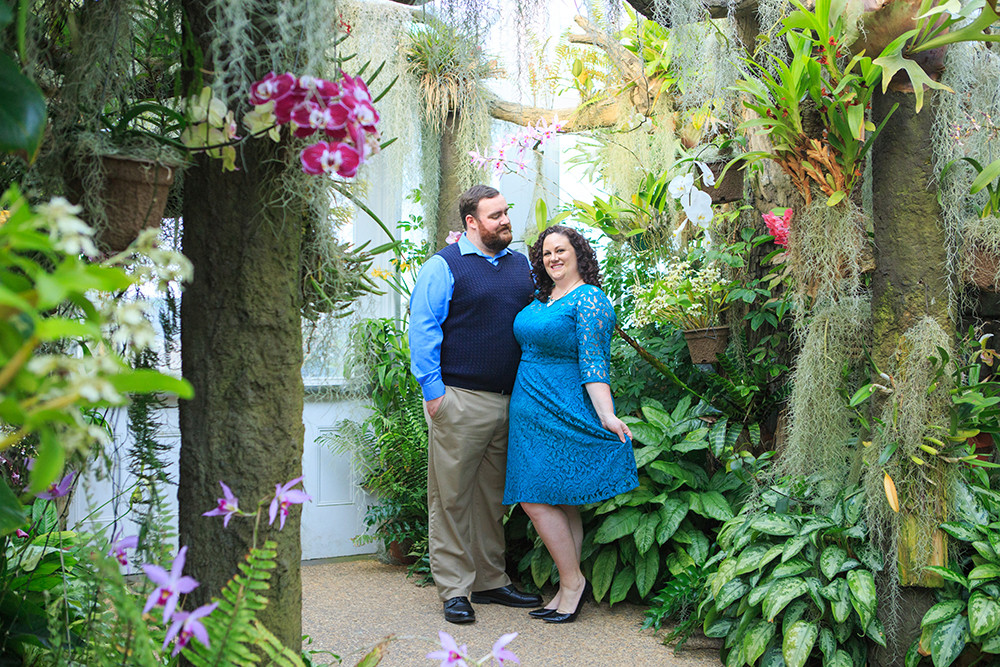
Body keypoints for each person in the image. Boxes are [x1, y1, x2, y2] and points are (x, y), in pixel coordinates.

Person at [409, 184, 542, 624]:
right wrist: (435, 395)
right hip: (459, 401)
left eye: (506, 212)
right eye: (495, 215)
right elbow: (423, 329)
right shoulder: (443, 266)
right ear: (471, 222)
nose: (505, 221)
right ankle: (454, 590)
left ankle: (490, 581)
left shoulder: (520, 266)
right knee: (450, 499)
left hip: (510, 402)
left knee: (492, 499)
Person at [503, 225, 639, 624]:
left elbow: (594, 363)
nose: (553, 258)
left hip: (563, 405)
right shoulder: (541, 299)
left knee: (533, 497)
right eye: (546, 254)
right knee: (559, 498)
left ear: (579, 253)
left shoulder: (590, 300)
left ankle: (572, 582)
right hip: (529, 410)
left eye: (560, 250)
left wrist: (607, 414)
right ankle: (567, 587)